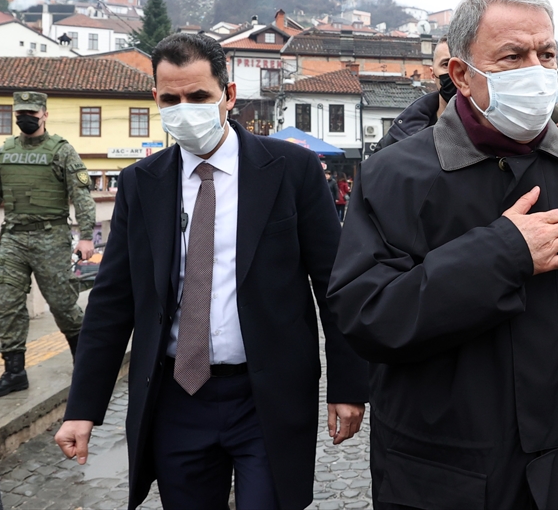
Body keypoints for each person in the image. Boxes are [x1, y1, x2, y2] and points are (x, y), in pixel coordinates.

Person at [328, 0, 558, 510]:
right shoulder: (394, 175)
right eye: (513, 57)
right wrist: (501, 255)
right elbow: (367, 317)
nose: (537, 71)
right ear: (461, 75)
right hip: (442, 485)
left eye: (547, 55)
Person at [54, 33, 370, 510]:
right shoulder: (141, 184)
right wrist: (83, 408)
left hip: (267, 396)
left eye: (199, 96)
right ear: (156, 99)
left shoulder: (292, 170)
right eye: (171, 99)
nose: (185, 109)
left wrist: (348, 386)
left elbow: (334, 285)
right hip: (176, 400)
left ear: (229, 94)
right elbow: (113, 300)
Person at [0, 91, 97, 399]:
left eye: (32, 113)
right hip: (13, 238)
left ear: (44, 115)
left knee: (63, 305)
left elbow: (81, 196)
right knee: (7, 304)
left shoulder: (62, 151)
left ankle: (85, 366)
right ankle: (14, 373)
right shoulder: (4, 152)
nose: (26, 118)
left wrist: (87, 236)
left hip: (51, 236)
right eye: (20, 113)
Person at [371, 37, 455, 153]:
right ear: (432, 73)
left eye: (462, 64)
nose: (456, 72)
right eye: (446, 64)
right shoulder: (401, 137)